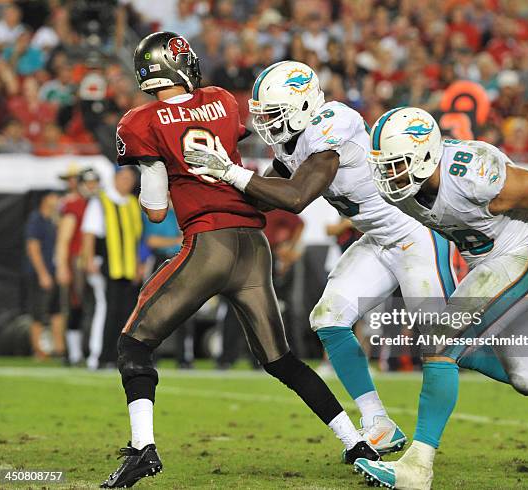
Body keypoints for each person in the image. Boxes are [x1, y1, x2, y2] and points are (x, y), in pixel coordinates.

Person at [101, 32, 377, 489]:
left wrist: (169, 178)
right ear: (180, 63)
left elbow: (154, 209)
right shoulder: (222, 101)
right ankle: (355, 442)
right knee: (281, 360)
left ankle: (143, 449)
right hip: (254, 243)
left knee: (134, 344)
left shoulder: (140, 121)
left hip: (209, 245)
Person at [185, 60, 457, 455]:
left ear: (303, 107)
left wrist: (230, 173)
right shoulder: (289, 138)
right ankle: (378, 422)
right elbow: (270, 189)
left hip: (415, 235)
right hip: (378, 239)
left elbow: (296, 197)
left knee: (444, 344)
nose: (266, 124)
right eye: (263, 115)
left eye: (274, 114)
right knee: (328, 318)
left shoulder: (332, 125)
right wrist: (213, 186)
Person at [353, 107, 528, 489]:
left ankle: (418, 468)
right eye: (384, 166)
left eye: (397, 164)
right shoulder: (406, 190)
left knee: (439, 343)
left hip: (523, 256)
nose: (389, 175)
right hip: (486, 265)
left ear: (425, 155)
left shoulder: (473, 173)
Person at [82, 167, 141, 370]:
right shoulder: (101, 201)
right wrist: (89, 259)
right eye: (123, 178)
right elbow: (89, 233)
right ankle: (98, 355)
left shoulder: (132, 204)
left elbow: (135, 238)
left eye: (130, 179)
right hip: (106, 265)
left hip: (127, 267)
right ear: (115, 178)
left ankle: (116, 356)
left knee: (124, 312)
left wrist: (137, 264)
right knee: (105, 309)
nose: (127, 182)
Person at [142, 200, 195, 369]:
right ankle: (151, 354)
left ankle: (185, 357)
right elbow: (152, 241)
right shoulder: (156, 215)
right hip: (161, 260)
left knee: (185, 309)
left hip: (181, 260)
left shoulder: (184, 214)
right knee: (154, 310)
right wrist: (176, 240)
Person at [55, 167, 101, 365]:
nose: (91, 187)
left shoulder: (100, 203)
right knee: (76, 305)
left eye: (94, 183)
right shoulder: (74, 205)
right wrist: (61, 266)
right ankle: (72, 353)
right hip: (77, 261)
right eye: (88, 183)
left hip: (97, 260)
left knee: (95, 307)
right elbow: (64, 239)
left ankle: (89, 349)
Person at [25, 191, 65, 359]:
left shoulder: (54, 219)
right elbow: (32, 247)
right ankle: (38, 349)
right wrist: (42, 273)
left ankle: (59, 348)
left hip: (55, 272)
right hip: (41, 273)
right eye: (54, 197)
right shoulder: (36, 219)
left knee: (57, 311)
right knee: (39, 312)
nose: (57, 200)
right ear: (45, 199)